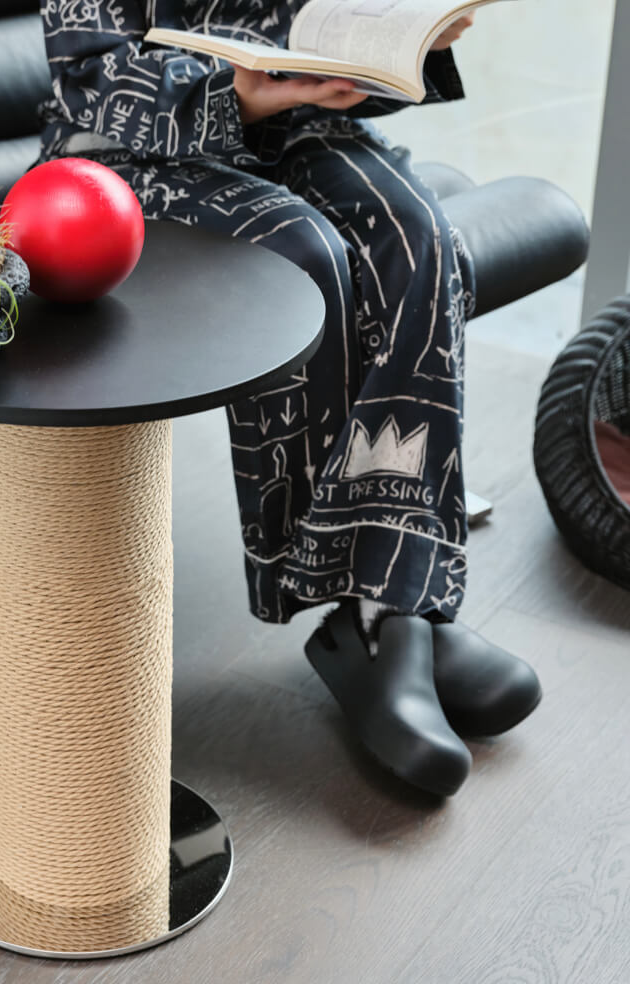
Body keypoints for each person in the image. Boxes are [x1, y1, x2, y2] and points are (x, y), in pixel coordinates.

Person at [35, 1, 541, 797]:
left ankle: (395, 598)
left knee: (420, 242)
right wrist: (238, 98)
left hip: (301, 127)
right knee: (307, 256)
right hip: (136, 156)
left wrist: (396, 53)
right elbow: (91, 80)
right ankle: (372, 611)